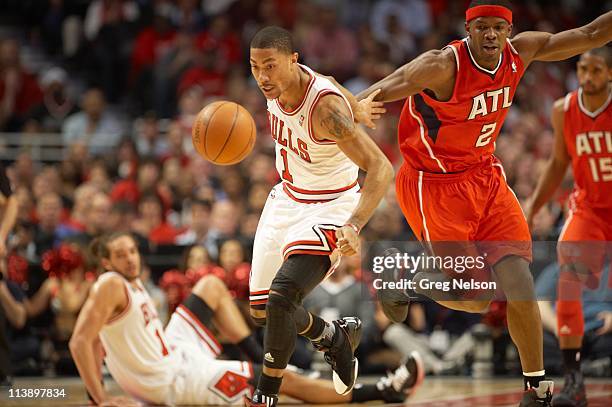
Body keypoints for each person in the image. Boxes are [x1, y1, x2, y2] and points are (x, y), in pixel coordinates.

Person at [353, 1, 611, 405]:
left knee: (519, 281)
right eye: (482, 27)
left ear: (509, 31)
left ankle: (536, 389)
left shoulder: (520, 52)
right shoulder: (442, 66)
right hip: (432, 184)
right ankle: (408, 284)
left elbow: (591, 35)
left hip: (484, 176)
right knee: (476, 297)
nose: (490, 35)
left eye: (498, 27)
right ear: (467, 29)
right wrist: (349, 110)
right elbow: (394, 82)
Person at [69, 232, 421, 406]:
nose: (130, 259)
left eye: (132, 251)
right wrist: (98, 401)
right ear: (106, 262)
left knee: (210, 284)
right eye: (120, 254)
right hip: (171, 378)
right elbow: (80, 340)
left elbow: (101, 339)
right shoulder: (110, 284)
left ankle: (260, 355)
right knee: (282, 382)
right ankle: (385, 390)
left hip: (172, 350)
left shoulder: (127, 284)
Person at [247, 26, 398, 406]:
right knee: (261, 311)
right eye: (254, 67)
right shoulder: (280, 84)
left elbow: (381, 168)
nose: (262, 76)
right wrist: (357, 103)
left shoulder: (326, 111)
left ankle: (265, 398)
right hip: (287, 197)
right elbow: (327, 77)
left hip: (332, 205)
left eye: (270, 66)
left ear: (293, 61)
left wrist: (354, 224)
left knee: (283, 297)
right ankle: (332, 337)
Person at [526, 47, 611, 406]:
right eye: (581, 68)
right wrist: (534, 204)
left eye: (595, 69)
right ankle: (574, 381)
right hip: (589, 207)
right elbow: (559, 162)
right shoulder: (564, 109)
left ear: (609, 74)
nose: (586, 76)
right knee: (567, 282)